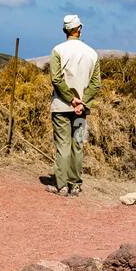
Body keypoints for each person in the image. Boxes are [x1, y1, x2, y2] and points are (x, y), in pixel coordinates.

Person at [48, 14, 101, 196]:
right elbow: (96, 84)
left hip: (61, 106)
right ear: (80, 29)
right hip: (81, 109)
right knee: (77, 144)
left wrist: (71, 100)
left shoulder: (57, 50)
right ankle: (75, 184)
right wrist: (82, 102)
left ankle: (61, 185)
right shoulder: (92, 53)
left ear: (64, 30)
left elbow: (56, 78)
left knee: (62, 145)